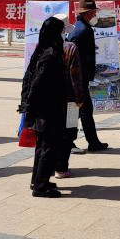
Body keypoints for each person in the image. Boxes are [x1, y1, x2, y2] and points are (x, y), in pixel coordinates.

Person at [20, 16, 68, 197]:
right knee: (48, 147)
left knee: (42, 146)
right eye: (61, 31)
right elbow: (37, 83)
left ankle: (39, 180)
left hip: (45, 107)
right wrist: (29, 105)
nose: (63, 35)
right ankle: (40, 187)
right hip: (48, 108)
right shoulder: (50, 54)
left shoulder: (43, 50)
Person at [65, 0, 108, 152]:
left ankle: (91, 142)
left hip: (80, 76)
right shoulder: (81, 30)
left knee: (81, 110)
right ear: (87, 13)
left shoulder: (82, 27)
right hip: (78, 77)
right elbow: (71, 53)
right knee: (80, 110)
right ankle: (70, 142)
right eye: (93, 12)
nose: (94, 15)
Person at [55, 15, 85, 179]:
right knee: (68, 133)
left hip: (50, 100)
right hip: (70, 100)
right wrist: (80, 98)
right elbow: (76, 77)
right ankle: (61, 167)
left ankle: (51, 165)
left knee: (52, 133)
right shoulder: (70, 48)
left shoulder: (41, 46)